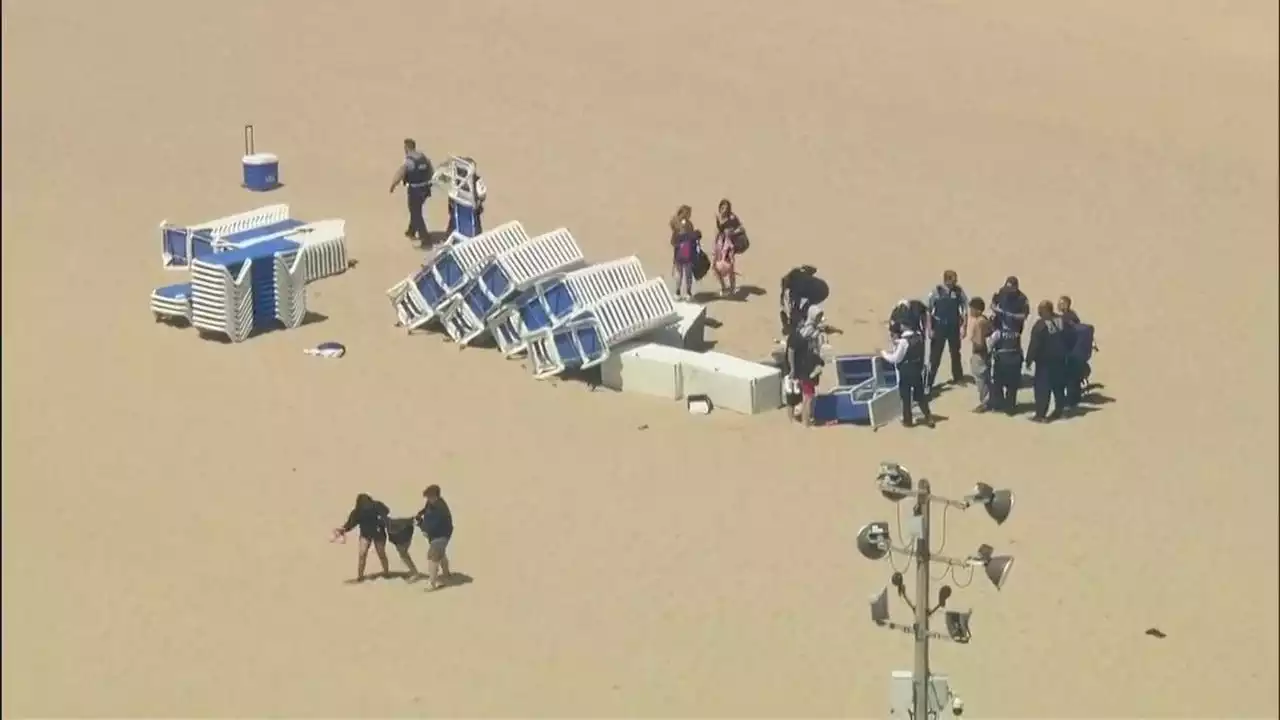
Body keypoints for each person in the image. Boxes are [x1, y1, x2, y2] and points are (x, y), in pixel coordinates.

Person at [880, 321, 935, 428]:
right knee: (920, 396)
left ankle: (908, 421)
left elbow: (895, 358)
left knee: (906, 397)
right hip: (917, 369)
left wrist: (883, 353)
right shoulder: (918, 336)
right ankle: (928, 417)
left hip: (906, 371)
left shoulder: (903, 343)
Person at [331, 493, 392, 583]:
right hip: (365, 534)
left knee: (381, 553)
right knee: (362, 554)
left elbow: (386, 511)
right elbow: (350, 524)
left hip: (379, 533)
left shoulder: (377, 506)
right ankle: (360, 576)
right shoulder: (358, 512)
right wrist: (343, 530)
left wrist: (382, 517)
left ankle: (386, 573)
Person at [925, 270, 969, 392]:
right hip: (939, 326)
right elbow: (928, 311)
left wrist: (964, 326)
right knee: (935, 356)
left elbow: (965, 309)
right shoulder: (936, 292)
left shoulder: (958, 292)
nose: (956, 282)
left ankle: (957, 377)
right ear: (947, 280)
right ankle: (929, 383)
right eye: (954, 280)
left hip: (953, 326)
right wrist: (929, 329)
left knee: (955, 353)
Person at [1025, 300, 1069, 422]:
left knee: (1042, 388)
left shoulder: (1040, 325)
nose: (1038, 311)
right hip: (1060, 359)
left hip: (1045, 362)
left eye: (1040, 309)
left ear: (1045, 310)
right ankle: (1059, 410)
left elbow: (1034, 344)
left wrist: (1029, 359)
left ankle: (1040, 415)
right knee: (1058, 387)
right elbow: (1071, 335)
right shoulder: (1062, 321)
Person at [389, 139, 434, 246]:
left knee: (416, 213)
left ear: (407, 148)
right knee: (416, 210)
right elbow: (431, 170)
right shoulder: (423, 157)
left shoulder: (409, 161)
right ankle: (411, 231)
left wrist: (393, 185)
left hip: (415, 190)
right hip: (425, 189)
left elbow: (400, 173)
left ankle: (425, 239)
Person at [787, 304, 826, 426]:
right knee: (807, 397)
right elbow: (792, 350)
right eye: (818, 316)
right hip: (807, 369)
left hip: (808, 367)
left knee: (806, 395)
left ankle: (804, 420)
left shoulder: (809, 329)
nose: (820, 318)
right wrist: (793, 368)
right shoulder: (806, 333)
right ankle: (806, 422)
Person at [414, 484, 454, 590]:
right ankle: (446, 574)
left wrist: (420, 525)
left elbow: (432, 527)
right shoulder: (431, 503)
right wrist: (420, 514)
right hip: (435, 534)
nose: (427, 499)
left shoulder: (441, 509)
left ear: (435, 496)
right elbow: (426, 508)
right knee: (440, 553)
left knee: (432, 556)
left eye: (429, 497)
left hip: (441, 534)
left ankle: (432, 583)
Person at [988, 323, 1024, 414]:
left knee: (998, 384)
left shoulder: (998, 333)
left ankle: (999, 405)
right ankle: (1010, 407)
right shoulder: (1016, 333)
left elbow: (990, 345)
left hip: (1001, 362)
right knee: (1012, 386)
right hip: (1015, 361)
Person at [966, 297, 994, 413]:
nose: (970, 311)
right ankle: (989, 401)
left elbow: (979, 342)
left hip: (980, 354)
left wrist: (975, 347)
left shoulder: (979, 322)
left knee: (981, 380)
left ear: (977, 309)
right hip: (986, 354)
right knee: (986, 378)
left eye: (972, 308)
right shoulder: (985, 319)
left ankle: (985, 403)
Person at [713, 199, 744, 296]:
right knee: (715, 267)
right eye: (722, 208)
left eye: (726, 208)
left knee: (729, 267)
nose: (724, 210)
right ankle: (724, 287)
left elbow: (741, 228)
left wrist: (732, 232)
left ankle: (732, 287)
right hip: (719, 244)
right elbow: (717, 231)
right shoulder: (718, 217)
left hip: (729, 245)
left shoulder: (732, 217)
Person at [671, 221, 701, 301]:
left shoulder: (678, 236)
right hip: (687, 259)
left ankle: (678, 292)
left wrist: (674, 260)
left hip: (680, 258)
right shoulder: (692, 236)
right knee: (687, 276)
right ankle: (688, 293)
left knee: (680, 275)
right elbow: (696, 244)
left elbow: (675, 247)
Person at [386, 516, 421, 580]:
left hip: (403, 535)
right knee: (403, 554)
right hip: (399, 535)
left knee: (403, 554)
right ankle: (414, 571)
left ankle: (415, 572)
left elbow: (416, 520)